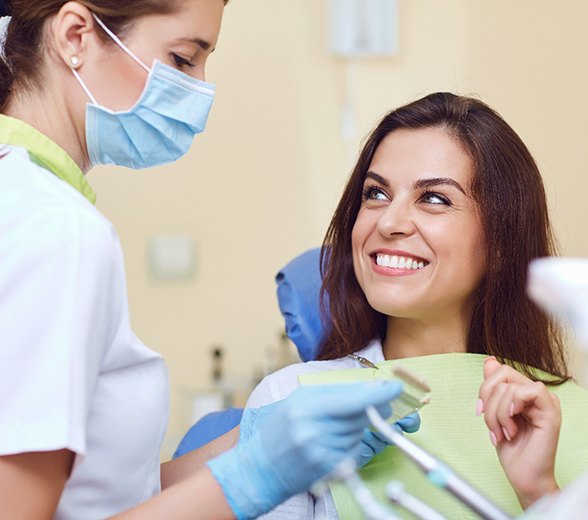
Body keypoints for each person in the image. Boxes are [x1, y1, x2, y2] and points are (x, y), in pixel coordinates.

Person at [0, 1, 416, 518]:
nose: (200, 91)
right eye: (181, 59)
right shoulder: (56, 230)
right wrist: (256, 474)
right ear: (76, 36)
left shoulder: (26, 199)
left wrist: (247, 443)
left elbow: (94, 495)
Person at [245, 92, 588, 518]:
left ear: (501, 242)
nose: (388, 222)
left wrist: (539, 494)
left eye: (434, 199)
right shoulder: (292, 401)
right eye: (375, 193)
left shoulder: (571, 416)